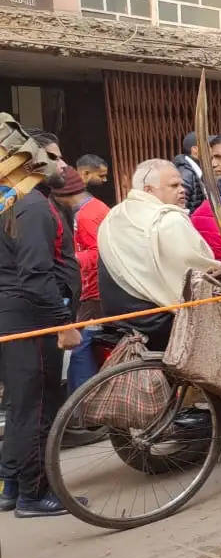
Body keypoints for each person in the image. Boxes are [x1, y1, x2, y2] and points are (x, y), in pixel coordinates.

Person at [0, 132, 82, 518]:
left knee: (20, 403)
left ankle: (13, 485)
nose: (62, 165)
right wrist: (62, 323)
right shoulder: (31, 205)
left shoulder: (15, 201)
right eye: (51, 157)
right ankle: (34, 494)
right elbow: (35, 274)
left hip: (16, 314)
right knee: (36, 405)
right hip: (30, 316)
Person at [98, 159, 220, 351]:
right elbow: (202, 273)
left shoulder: (114, 214)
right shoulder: (168, 219)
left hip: (118, 317)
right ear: (148, 190)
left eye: (181, 184)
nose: (183, 189)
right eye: (174, 185)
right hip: (159, 322)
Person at [51, 166, 110, 392]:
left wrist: (70, 259)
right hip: (95, 289)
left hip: (92, 291)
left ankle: (79, 405)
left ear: (60, 195)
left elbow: (98, 253)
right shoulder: (95, 208)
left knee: (81, 345)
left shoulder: (86, 215)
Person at [173, 131, 206, 213]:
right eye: (208, 146)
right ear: (195, 149)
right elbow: (180, 206)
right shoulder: (185, 172)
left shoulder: (195, 168)